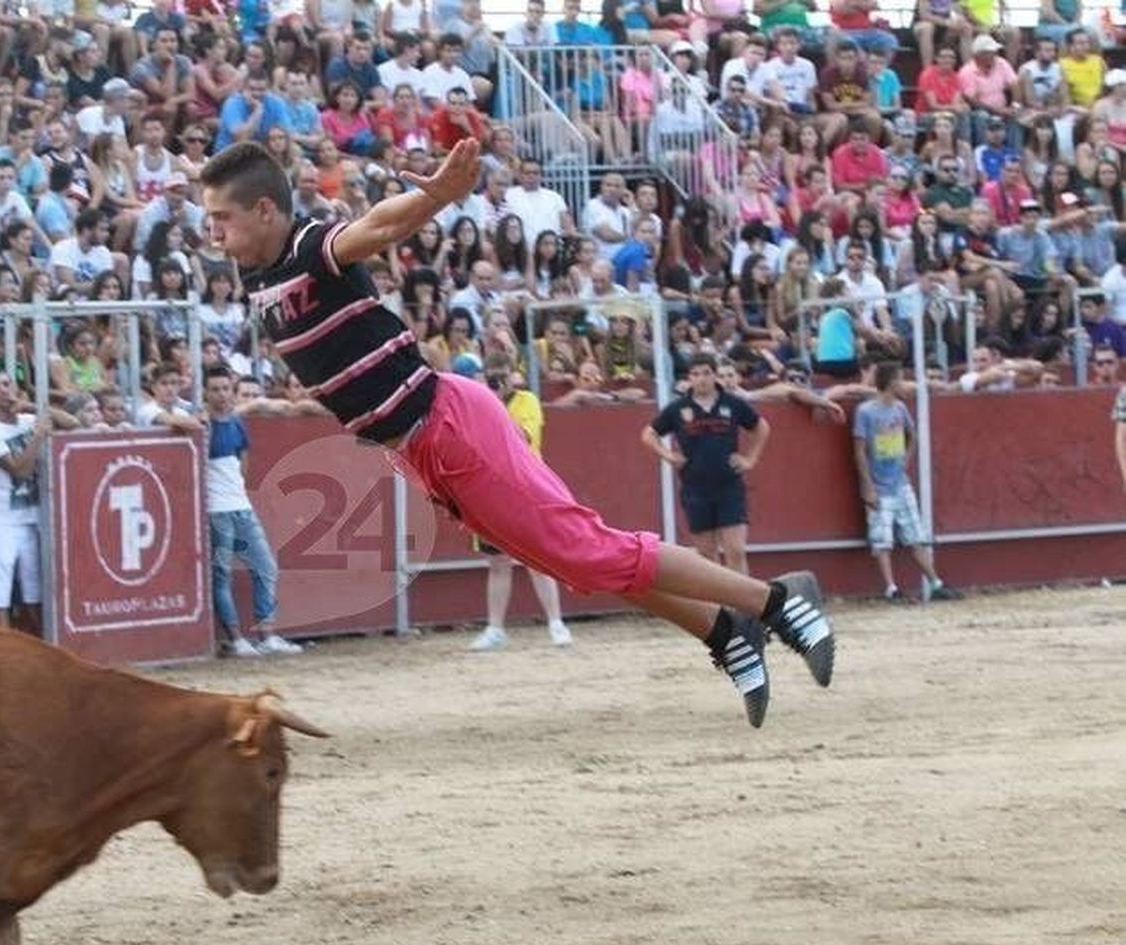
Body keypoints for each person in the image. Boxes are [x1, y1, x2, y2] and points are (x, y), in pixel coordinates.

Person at [199, 138, 836, 727]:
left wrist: (436, 198)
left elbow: (376, 228)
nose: (214, 235)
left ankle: (776, 601)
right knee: (577, 558)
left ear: (263, 210)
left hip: (445, 425)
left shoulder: (307, 247)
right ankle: (725, 633)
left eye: (221, 220)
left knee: (586, 550)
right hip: (422, 447)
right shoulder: (257, 270)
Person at [456, 354, 574, 652]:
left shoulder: (527, 401)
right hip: (488, 489)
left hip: (523, 488)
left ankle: (556, 623)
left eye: (502, 376)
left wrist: (493, 406)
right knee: (497, 561)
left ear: (513, 375)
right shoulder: (475, 402)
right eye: (492, 376)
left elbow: (522, 437)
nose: (497, 382)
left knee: (537, 560)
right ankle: (495, 628)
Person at [204, 365, 305, 657]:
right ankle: (236, 640)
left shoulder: (235, 422)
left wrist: (238, 492)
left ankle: (266, 636)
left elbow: (243, 464)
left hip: (239, 508)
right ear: (206, 394)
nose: (221, 394)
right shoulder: (204, 425)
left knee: (265, 567)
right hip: (217, 512)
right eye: (215, 389)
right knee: (222, 575)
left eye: (225, 389)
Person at [642, 358, 770, 576]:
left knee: (735, 549)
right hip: (695, 488)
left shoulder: (732, 403)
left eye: (706, 373)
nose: (701, 379)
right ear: (689, 378)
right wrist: (668, 455)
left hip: (729, 485)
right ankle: (720, 606)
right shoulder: (678, 408)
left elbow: (761, 426)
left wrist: (751, 459)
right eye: (696, 374)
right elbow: (648, 434)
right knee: (706, 553)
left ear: (714, 375)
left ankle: (743, 604)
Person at [852, 361, 962, 603]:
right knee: (883, 540)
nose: (902, 384)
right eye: (899, 379)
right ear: (890, 382)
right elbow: (859, 451)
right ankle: (891, 588)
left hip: (899, 482)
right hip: (879, 485)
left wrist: (906, 460)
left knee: (915, 535)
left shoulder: (899, 408)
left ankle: (936, 583)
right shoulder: (866, 411)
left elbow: (912, 435)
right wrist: (867, 485)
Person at [0, 371, 49, 630]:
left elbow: (71, 422)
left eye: (6, 384)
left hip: (31, 518)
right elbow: (19, 470)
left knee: (34, 589)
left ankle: (43, 647)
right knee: (0, 590)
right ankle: (5, 650)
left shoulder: (29, 420)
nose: (3, 391)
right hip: (1, 521)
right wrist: (37, 436)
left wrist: (32, 406)